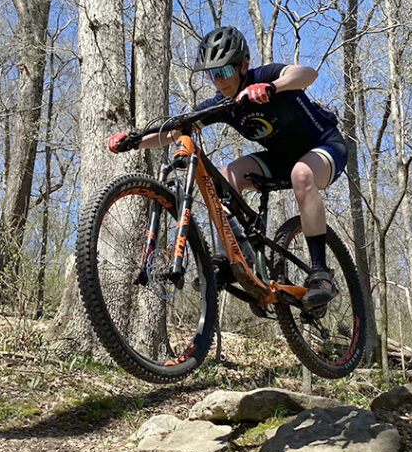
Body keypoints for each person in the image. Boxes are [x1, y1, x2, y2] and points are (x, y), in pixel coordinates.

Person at [108, 25, 347, 309]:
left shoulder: (263, 76)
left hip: (324, 147)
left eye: (222, 72)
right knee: (224, 176)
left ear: (243, 66)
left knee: (302, 174)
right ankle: (229, 258)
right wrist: (134, 140)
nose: (217, 80)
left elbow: (307, 75)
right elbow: (175, 129)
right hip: (281, 159)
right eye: (211, 74)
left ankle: (320, 272)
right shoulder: (222, 103)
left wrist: (272, 87)